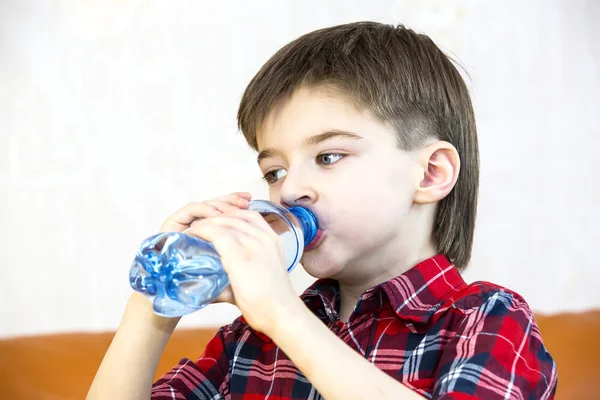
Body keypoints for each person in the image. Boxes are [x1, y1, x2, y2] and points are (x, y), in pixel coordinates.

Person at [87, 22, 557, 399]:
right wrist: (153, 302)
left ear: (430, 173)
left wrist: (284, 315)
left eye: (328, 157)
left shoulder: (486, 320)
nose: (289, 189)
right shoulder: (249, 342)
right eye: (273, 171)